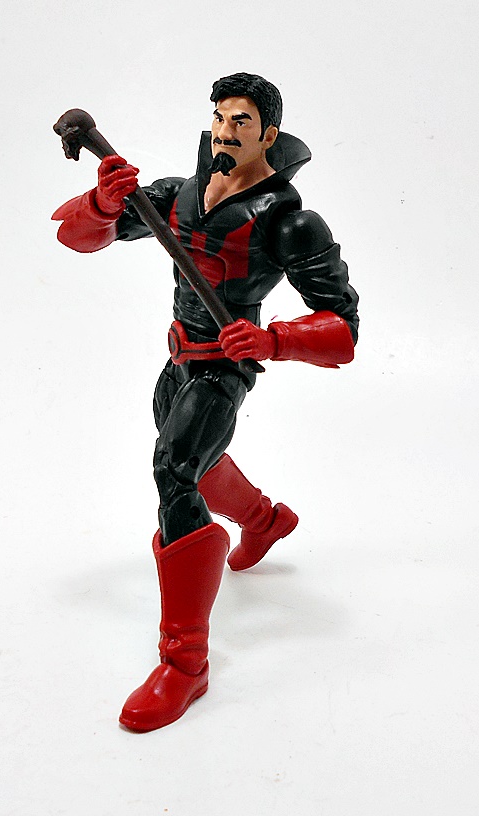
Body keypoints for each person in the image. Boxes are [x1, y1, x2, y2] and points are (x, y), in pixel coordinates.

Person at [52, 72, 359, 732]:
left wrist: (274, 339)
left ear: (268, 136)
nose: (224, 131)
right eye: (219, 117)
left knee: (173, 471)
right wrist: (103, 203)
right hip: (178, 360)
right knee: (194, 457)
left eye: (240, 121)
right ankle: (265, 520)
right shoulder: (175, 195)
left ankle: (185, 661)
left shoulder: (290, 222)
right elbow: (76, 238)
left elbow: (342, 329)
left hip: (223, 368)